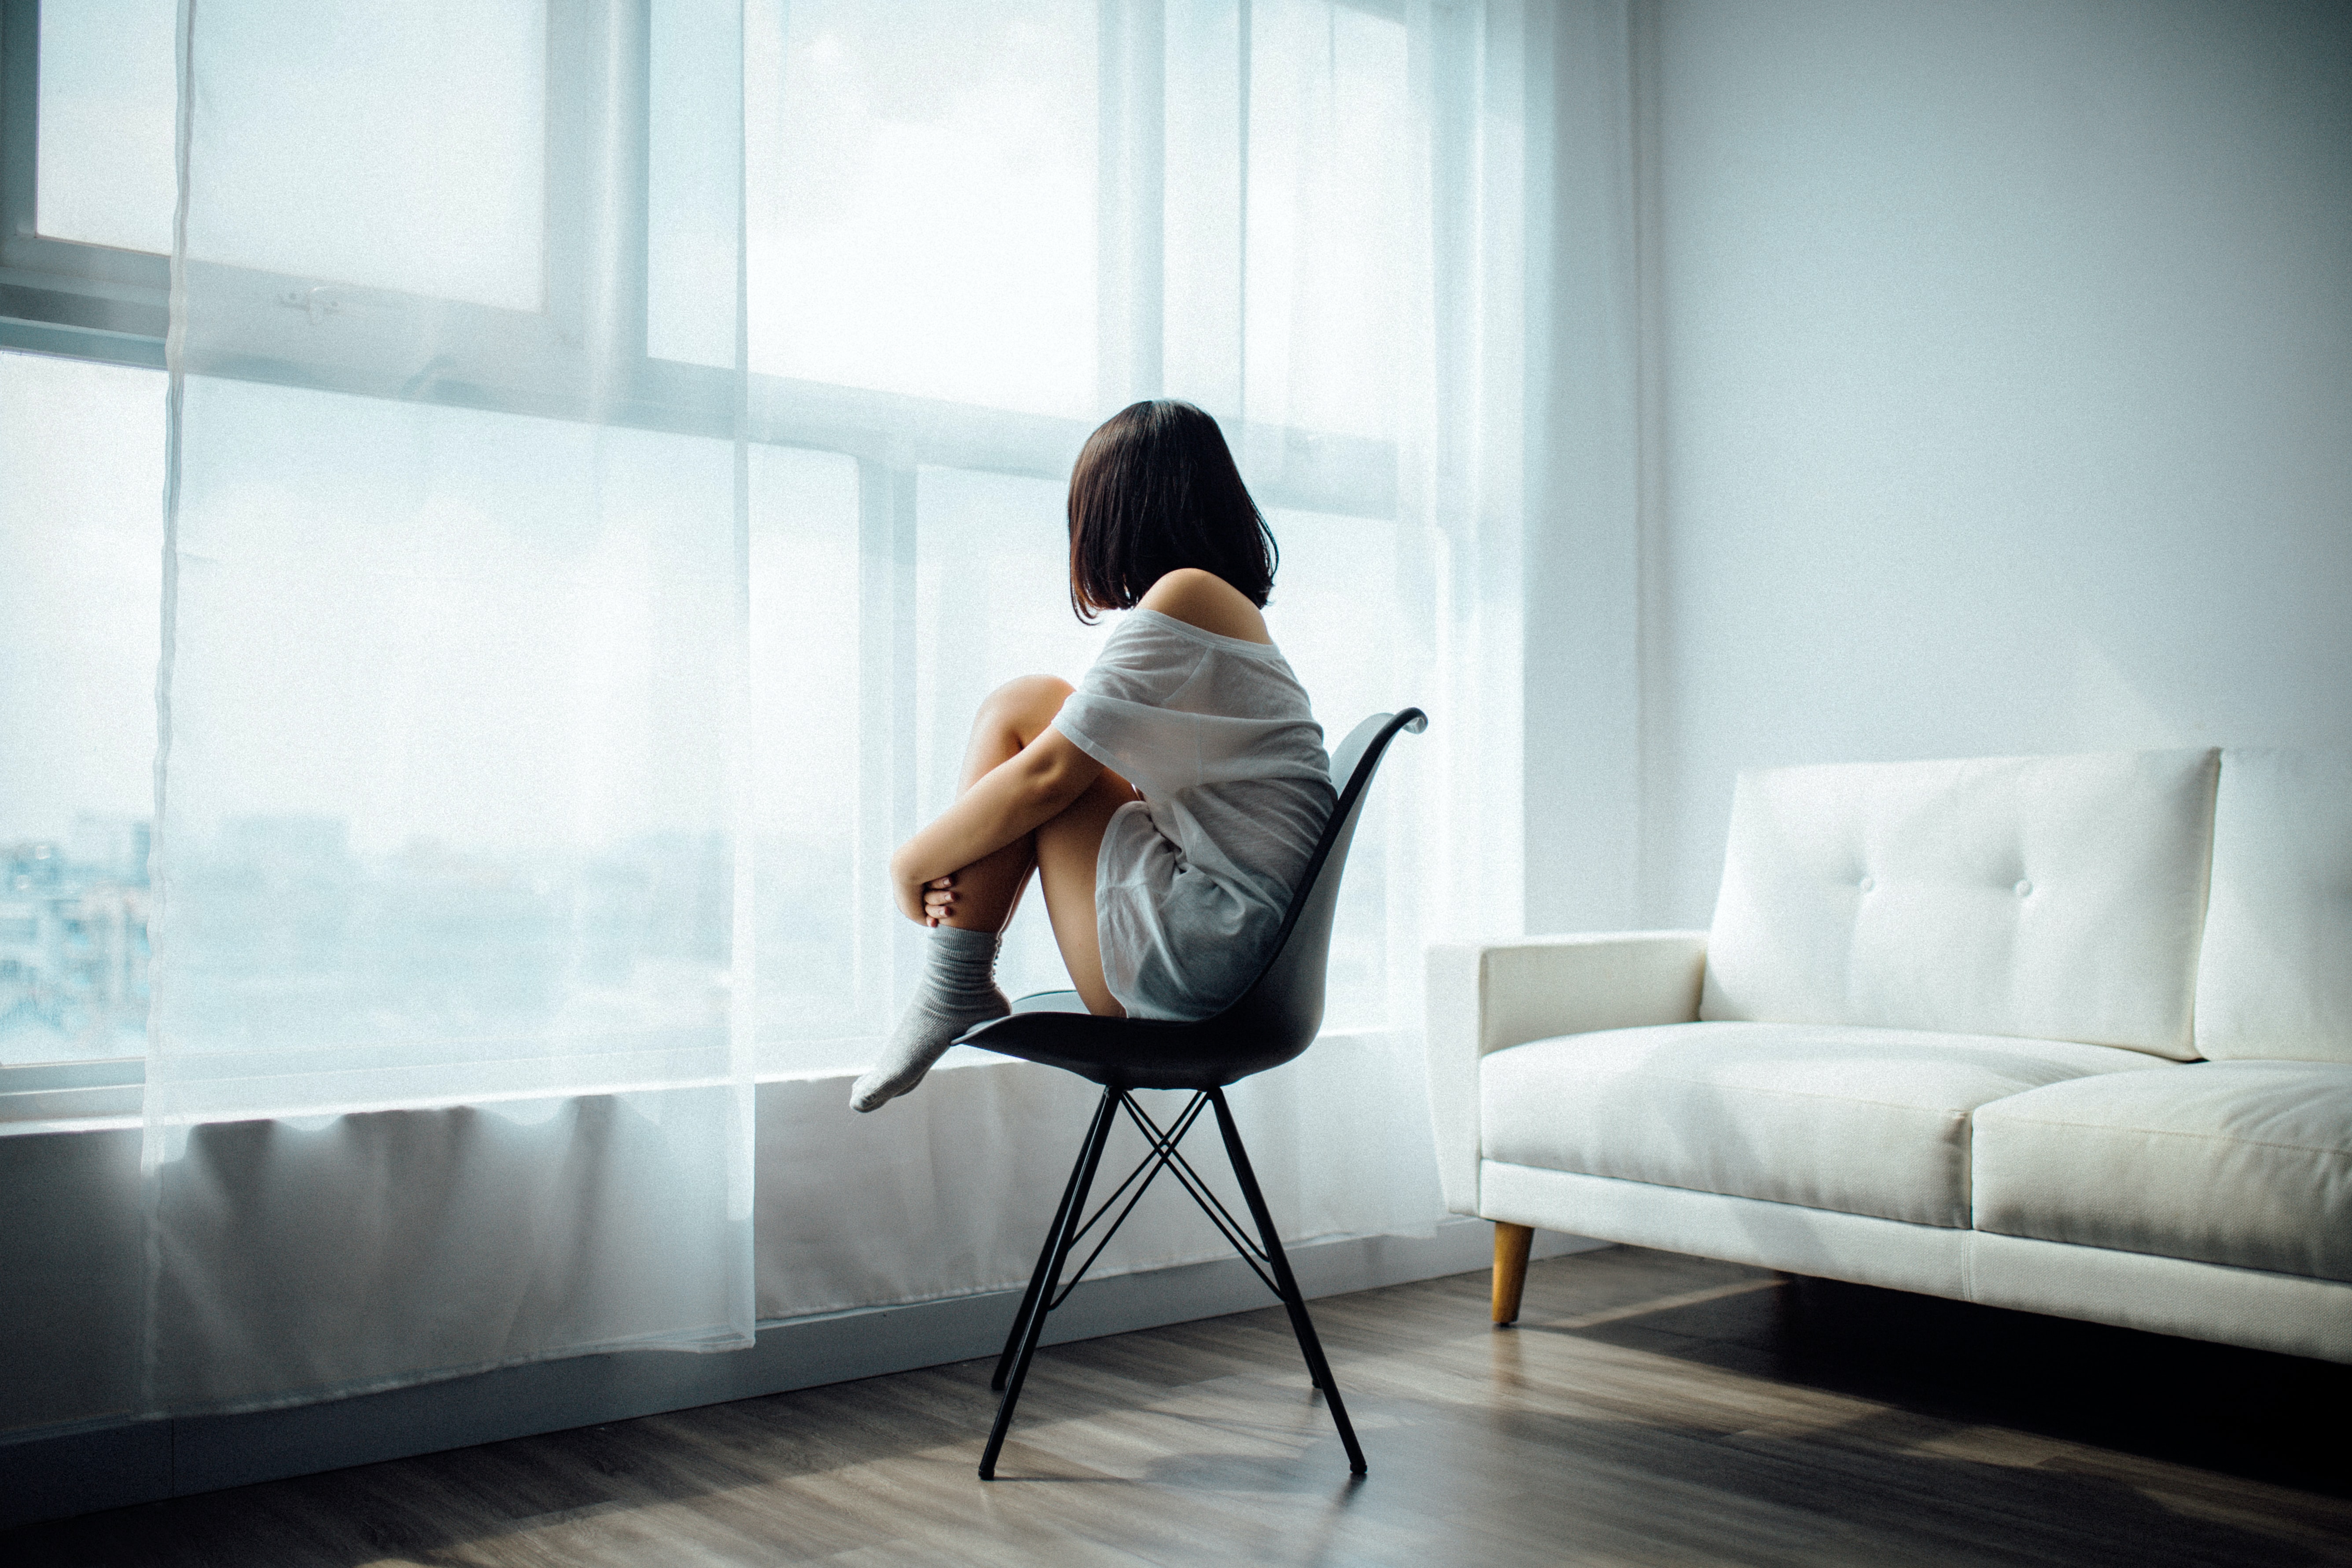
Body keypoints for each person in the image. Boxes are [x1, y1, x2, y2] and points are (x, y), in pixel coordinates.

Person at [850, 400, 1335, 1112]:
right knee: (1038, 707)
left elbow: (1050, 777)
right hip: (1239, 960)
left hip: (1205, 964)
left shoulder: (1188, 596)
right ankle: (954, 982)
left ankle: (952, 982)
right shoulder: (1222, 613)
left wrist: (909, 863)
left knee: (1024, 711)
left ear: (1119, 514)